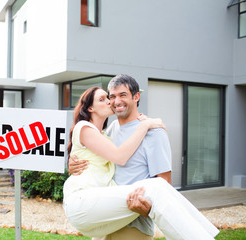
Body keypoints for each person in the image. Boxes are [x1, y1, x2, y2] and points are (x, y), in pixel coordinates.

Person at [63, 78, 219, 239]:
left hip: (134, 224)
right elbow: (107, 156)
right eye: (111, 97)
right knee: (156, 187)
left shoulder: (154, 132)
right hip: (104, 214)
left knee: (158, 187)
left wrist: (148, 209)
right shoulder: (110, 131)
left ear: (136, 97)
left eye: (122, 95)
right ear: (90, 107)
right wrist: (72, 164)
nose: (115, 101)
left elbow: (165, 183)